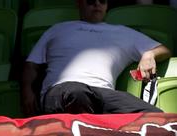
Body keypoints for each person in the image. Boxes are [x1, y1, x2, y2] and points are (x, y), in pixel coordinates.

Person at [21, 0, 172, 116]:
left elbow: (163, 49)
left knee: (154, 117)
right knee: (78, 94)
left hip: (103, 93)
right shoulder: (58, 29)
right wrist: (28, 91)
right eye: (91, 0)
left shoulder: (122, 32)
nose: (97, 4)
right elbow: (32, 64)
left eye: (102, 0)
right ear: (79, 2)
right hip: (62, 90)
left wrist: (149, 54)